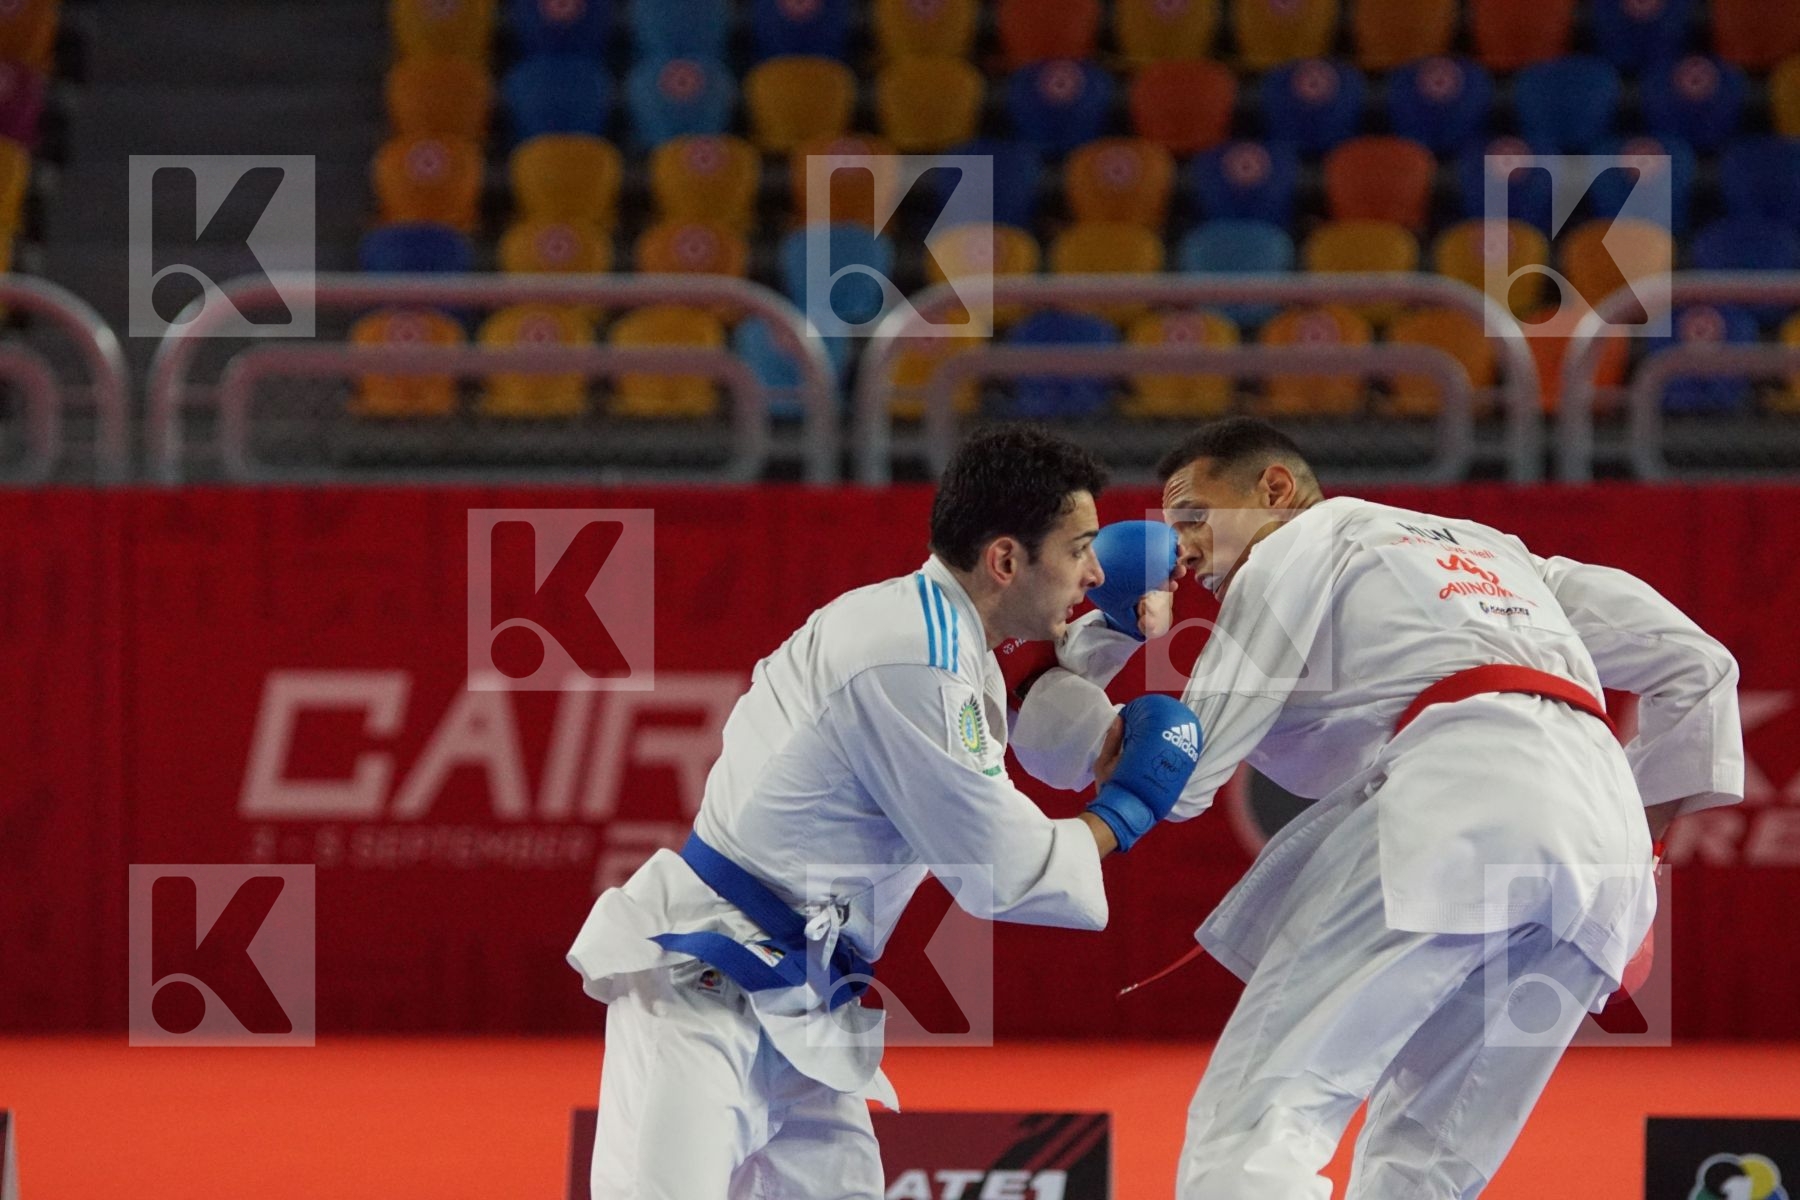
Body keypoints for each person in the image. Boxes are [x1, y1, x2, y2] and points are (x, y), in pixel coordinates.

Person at [1010, 417, 1744, 1198]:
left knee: (1261, 1118)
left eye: (1193, 519)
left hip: (1465, 800)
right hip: (1602, 855)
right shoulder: (1495, 551)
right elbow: (1700, 665)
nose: (1183, 551)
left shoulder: (1298, 543)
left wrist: (1106, 641)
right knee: (1422, 1164)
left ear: (1275, 490)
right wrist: (1643, 851)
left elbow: (1185, 769)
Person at [566, 425, 1202, 1200]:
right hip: (708, 980)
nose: (1096, 571)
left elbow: (1018, 693)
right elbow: (994, 868)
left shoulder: (939, 628)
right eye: (1079, 550)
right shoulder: (915, 660)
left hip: (803, 1001)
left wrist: (1111, 630)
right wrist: (1129, 809)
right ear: (1005, 559)